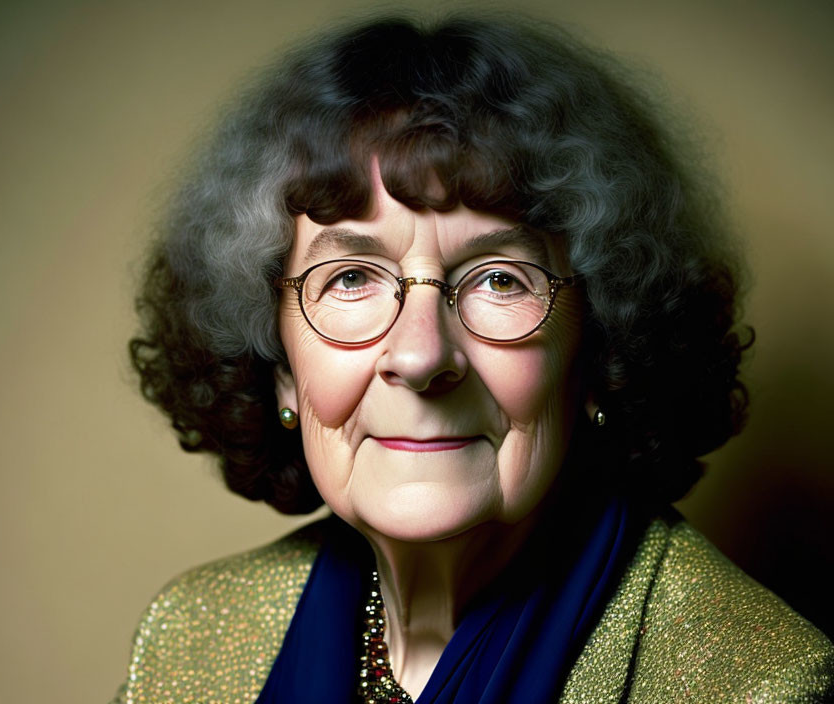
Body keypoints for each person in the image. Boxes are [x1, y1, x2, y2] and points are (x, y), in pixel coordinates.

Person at [113, 14, 833, 703]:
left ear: (600, 348)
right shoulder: (188, 645)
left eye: (498, 279)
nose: (422, 355)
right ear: (279, 365)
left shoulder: (758, 684)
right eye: (352, 278)